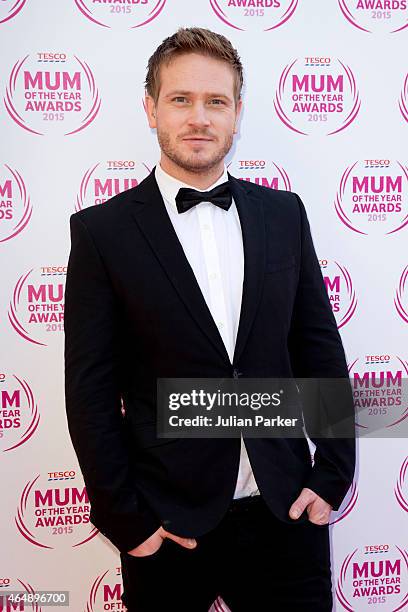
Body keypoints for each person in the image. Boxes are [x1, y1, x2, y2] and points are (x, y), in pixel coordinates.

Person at [64, 27, 355, 612]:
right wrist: (128, 521)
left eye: (216, 101)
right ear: (151, 108)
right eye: (181, 99)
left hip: (285, 511)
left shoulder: (283, 213)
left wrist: (332, 474)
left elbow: (317, 349)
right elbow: (90, 393)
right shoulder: (102, 233)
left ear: (237, 113)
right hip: (169, 526)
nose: (199, 118)